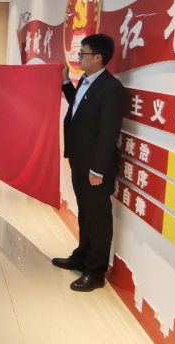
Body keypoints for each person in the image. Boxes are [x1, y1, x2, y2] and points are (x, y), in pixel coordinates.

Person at [52, 33, 126, 292]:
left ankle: (95, 272)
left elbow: (109, 133)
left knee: (98, 218)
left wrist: (98, 169)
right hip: (80, 161)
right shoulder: (86, 81)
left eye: (82, 53)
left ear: (98, 57)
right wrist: (65, 82)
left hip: (96, 168)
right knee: (85, 211)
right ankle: (81, 256)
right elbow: (78, 109)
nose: (78, 58)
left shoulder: (111, 89)